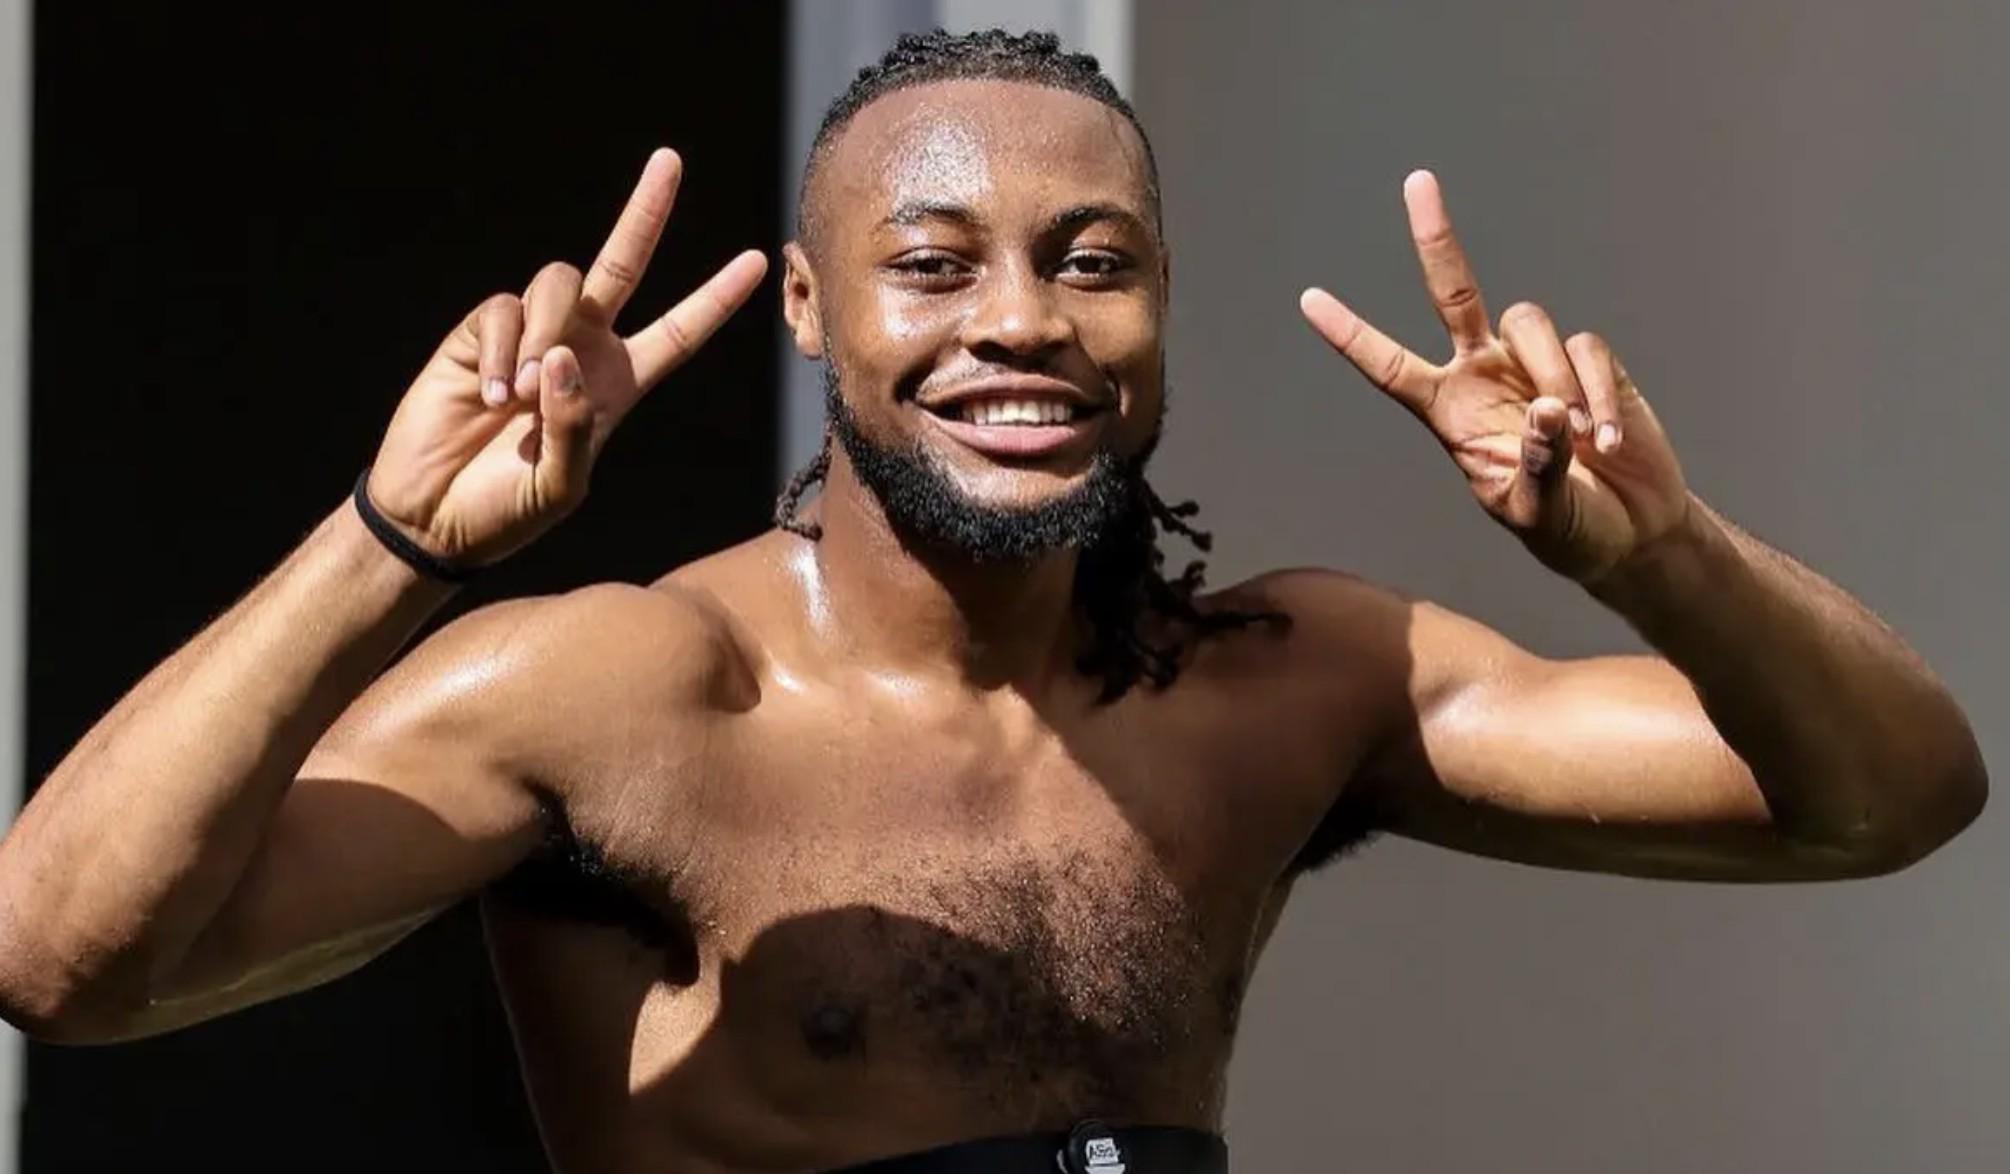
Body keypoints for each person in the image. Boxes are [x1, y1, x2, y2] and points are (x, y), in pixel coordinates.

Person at [0, 28, 1986, 1174]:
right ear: (811, 309)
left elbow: (1890, 798)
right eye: (935, 264)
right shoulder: (624, 690)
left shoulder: (1290, 682)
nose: (1023, 320)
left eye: (1091, 261)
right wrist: (392, 539)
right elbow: (62, 962)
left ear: (1161, 303)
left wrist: (1661, 554)